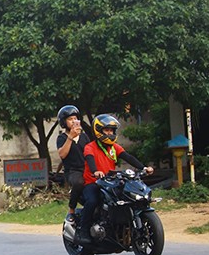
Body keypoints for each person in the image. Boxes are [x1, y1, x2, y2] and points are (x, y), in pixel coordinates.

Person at [77, 114, 153, 245]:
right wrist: (96, 171)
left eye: (112, 130)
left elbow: (128, 157)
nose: (110, 133)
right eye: (107, 130)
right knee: (93, 200)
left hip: (110, 182)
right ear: (98, 131)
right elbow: (90, 159)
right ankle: (83, 231)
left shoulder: (114, 148)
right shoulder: (90, 147)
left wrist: (144, 167)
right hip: (93, 183)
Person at [56, 105, 90, 222]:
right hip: (73, 171)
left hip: (86, 169)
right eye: (70, 119)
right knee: (78, 182)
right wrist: (70, 137)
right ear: (64, 122)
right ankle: (71, 209)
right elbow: (62, 154)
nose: (74, 121)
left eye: (75, 119)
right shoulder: (62, 138)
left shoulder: (84, 137)